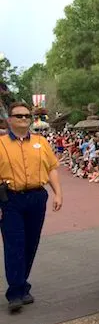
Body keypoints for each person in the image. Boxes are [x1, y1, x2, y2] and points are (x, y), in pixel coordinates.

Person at [0, 102, 63, 313]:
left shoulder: (41, 142)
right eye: (19, 116)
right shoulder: (0, 144)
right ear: (9, 119)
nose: (24, 119)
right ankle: (15, 292)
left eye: (27, 116)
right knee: (14, 245)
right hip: (10, 200)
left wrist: (58, 193)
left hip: (37, 197)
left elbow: (52, 169)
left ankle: (23, 284)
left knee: (30, 244)